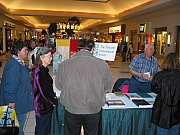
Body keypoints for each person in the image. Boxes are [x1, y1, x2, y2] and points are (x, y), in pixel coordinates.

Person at [55, 38, 113, 135]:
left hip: (72, 108)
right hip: (93, 109)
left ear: (78, 48)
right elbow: (107, 86)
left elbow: (59, 85)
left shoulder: (65, 64)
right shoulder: (102, 64)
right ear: (92, 49)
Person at [0, 40, 34, 135]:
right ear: (18, 51)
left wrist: (27, 68)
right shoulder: (14, 65)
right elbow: (11, 85)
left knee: (17, 127)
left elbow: (19, 74)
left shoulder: (17, 62)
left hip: (18, 99)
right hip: (16, 103)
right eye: (25, 50)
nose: (27, 52)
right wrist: (11, 102)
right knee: (17, 128)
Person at [151, 53, 180, 135]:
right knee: (175, 130)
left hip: (162, 110)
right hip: (177, 111)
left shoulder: (159, 75)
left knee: (162, 131)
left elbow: (154, 89)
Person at [32, 47, 58, 135]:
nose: (51, 58)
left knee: (44, 128)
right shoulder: (39, 72)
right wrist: (54, 101)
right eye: (49, 56)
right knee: (42, 129)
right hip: (42, 106)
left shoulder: (43, 70)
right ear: (41, 57)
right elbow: (44, 92)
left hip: (45, 105)